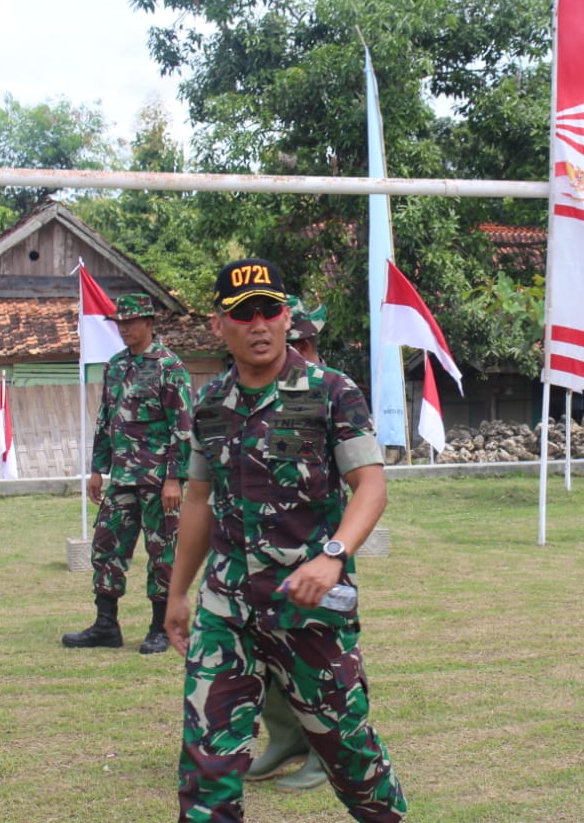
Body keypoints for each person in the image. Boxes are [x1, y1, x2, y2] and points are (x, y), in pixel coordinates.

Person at [167, 258, 405, 821]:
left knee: (349, 753)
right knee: (206, 765)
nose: (259, 324)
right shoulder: (209, 404)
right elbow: (198, 501)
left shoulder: (329, 391)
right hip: (225, 609)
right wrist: (178, 594)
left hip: (309, 608)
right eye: (243, 313)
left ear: (285, 316)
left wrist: (333, 556)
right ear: (219, 324)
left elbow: (370, 486)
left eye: (270, 311)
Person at [62, 293, 193, 654]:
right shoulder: (116, 365)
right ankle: (106, 625)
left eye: (131, 322)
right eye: (120, 323)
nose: (124, 329)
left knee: (161, 552)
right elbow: (106, 419)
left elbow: (182, 427)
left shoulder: (170, 366)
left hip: (156, 481)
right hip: (121, 478)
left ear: (149, 323)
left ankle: (159, 627)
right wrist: (96, 470)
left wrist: (173, 478)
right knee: (106, 547)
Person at [244, 294, 331, 793]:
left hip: (311, 551)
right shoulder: (258, 389)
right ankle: (285, 738)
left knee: (313, 659)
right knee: (265, 657)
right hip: (258, 552)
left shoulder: (322, 390)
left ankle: (325, 752)